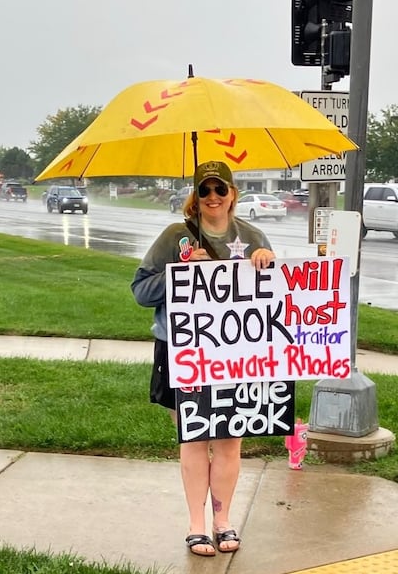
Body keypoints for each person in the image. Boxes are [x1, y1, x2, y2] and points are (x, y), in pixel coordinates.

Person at [131, 160, 276, 557]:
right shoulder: (176, 236)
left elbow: (275, 296)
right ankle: (197, 525)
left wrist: (267, 262)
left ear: (233, 194)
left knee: (230, 440)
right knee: (194, 438)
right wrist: (179, 271)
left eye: (221, 189)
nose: (214, 197)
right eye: (206, 190)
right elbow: (140, 291)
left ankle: (223, 519)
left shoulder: (253, 235)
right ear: (196, 197)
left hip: (237, 355)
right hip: (183, 351)